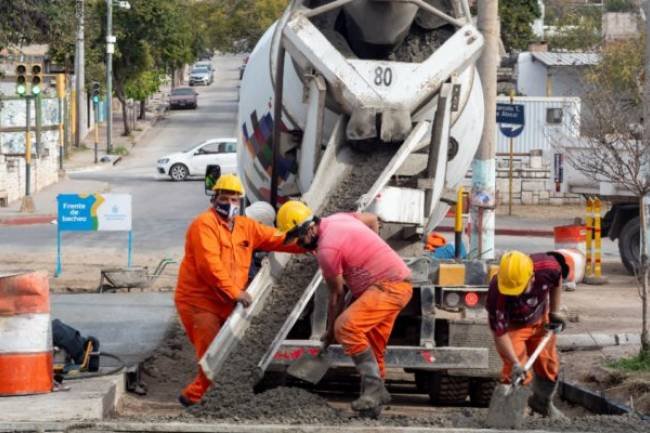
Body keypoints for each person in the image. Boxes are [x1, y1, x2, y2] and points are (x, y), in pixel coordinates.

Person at [174, 174, 303, 407]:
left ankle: (195, 397)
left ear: (241, 202)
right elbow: (209, 265)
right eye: (225, 198)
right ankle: (202, 399)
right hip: (199, 302)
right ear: (215, 199)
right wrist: (235, 292)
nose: (230, 203)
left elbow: (277, 239)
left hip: (225, 301)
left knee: (223, 353)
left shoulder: (245, 226)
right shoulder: (204, 224)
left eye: (235, 199)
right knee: (213, 353)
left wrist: (306, 244)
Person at [276, 200, 412, 417]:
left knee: (346, 327)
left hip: (388, 288)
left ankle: (375, 390)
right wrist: (371, 250)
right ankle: (371, 409)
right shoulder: (337, 218)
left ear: (309, 229)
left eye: (299, 238)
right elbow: (372, 219)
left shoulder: (327, 251)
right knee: (374, 349)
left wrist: (330, 333)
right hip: (393, 285)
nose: (299, 244)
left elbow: (336, 295)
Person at [486, 250, 569, 419]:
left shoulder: (548, 267)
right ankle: (510, 414)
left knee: (549, 364)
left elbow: (557, 281)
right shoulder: (497, 292)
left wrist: (555, 312)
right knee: (516, 371)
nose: (513, 295)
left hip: (540, 319)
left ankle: (542, 403)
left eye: (517, 289)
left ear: (531, 278)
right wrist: (516, 363)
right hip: (513, 326)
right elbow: (500, 334)